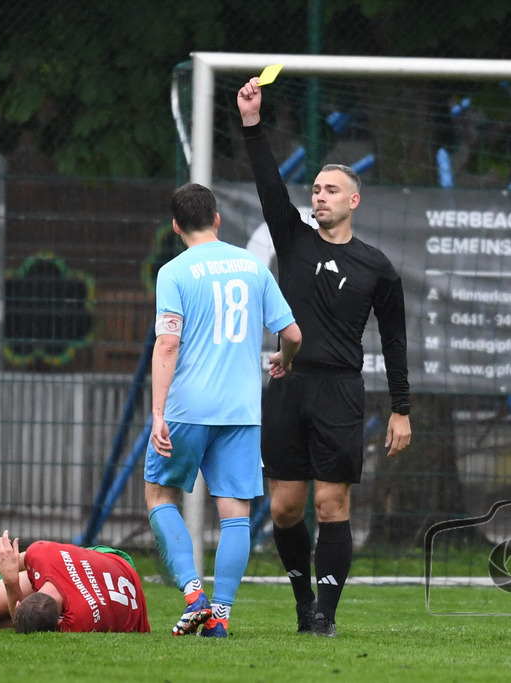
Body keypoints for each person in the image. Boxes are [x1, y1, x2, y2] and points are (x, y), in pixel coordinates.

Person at [237, 78, 412, 637]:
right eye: (315, 188)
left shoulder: (376, 267)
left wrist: (401, 409)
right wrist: (252, 122)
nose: (319, 195)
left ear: (353, 200)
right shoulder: (293, 239)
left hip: (340, 390)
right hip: (289, 386)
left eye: (331, 190)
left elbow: (396, 339)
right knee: (286, 509)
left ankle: (325, 618)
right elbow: (268, 184)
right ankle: (300, 603)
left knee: (333, 506)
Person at [145, 182, 302, 639]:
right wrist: (282, 362)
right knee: (234, 512)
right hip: (240, 411)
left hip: (188, 409)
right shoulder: (252, 267)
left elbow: (168, 344)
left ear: (176, 227)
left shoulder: (174, 272)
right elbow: (291, 334)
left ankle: (194, 596)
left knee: (160, 496)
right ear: (216, 218)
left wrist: (158, 413)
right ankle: (220, 617)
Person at [0, 531, 150, 634]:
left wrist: (11, 584)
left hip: (115, 570)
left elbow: (28, 624)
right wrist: (7, 575)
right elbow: (12, 563)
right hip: (111, 567)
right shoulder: (41, 554)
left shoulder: (77, 621)